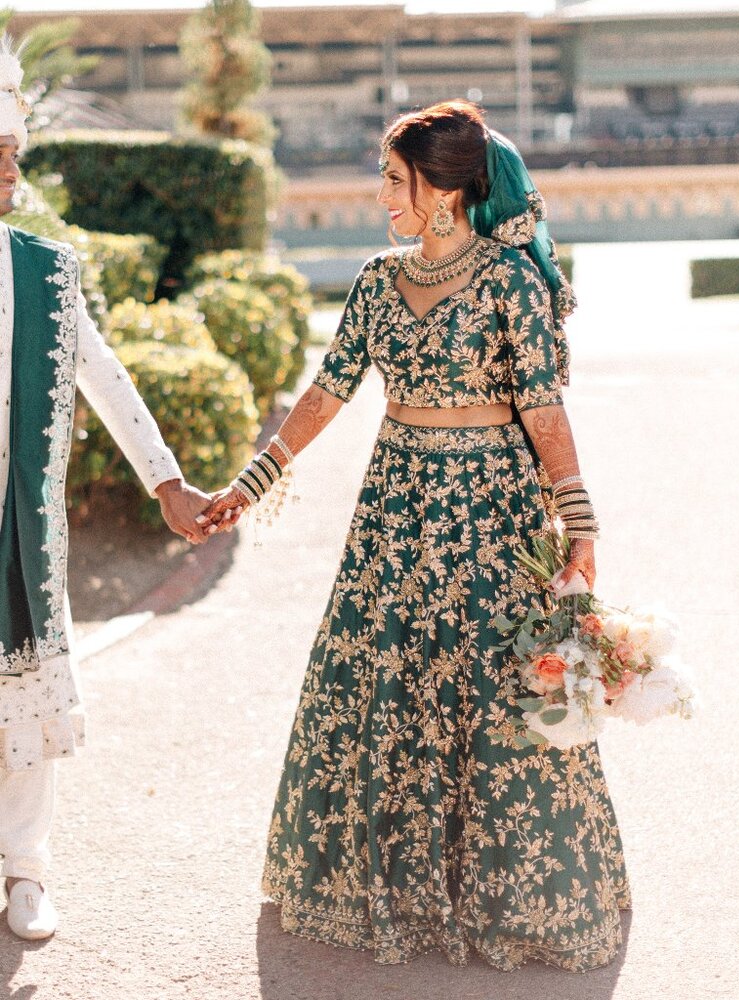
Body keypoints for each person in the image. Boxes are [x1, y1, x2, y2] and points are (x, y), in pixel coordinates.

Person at [199, 100, 629, 971]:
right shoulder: (374, 279)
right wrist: (253, 479)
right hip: (395, 513)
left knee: (494, 687)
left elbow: (543, 408)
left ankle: (514, 893)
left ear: (443, 191)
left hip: (491, 513)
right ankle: (386, 887)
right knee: (382, 677)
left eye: (395, 182)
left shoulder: (510, 280)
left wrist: (579, 521)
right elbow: (327, 391)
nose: (384, 198)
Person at [0, 41, 210, 940]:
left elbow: (107, 377)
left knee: (25, 699)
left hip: (23, 524)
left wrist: (166, 481)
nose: (14, 168)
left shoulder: (48, 269)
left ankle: (26, 873)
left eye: (13, 152)